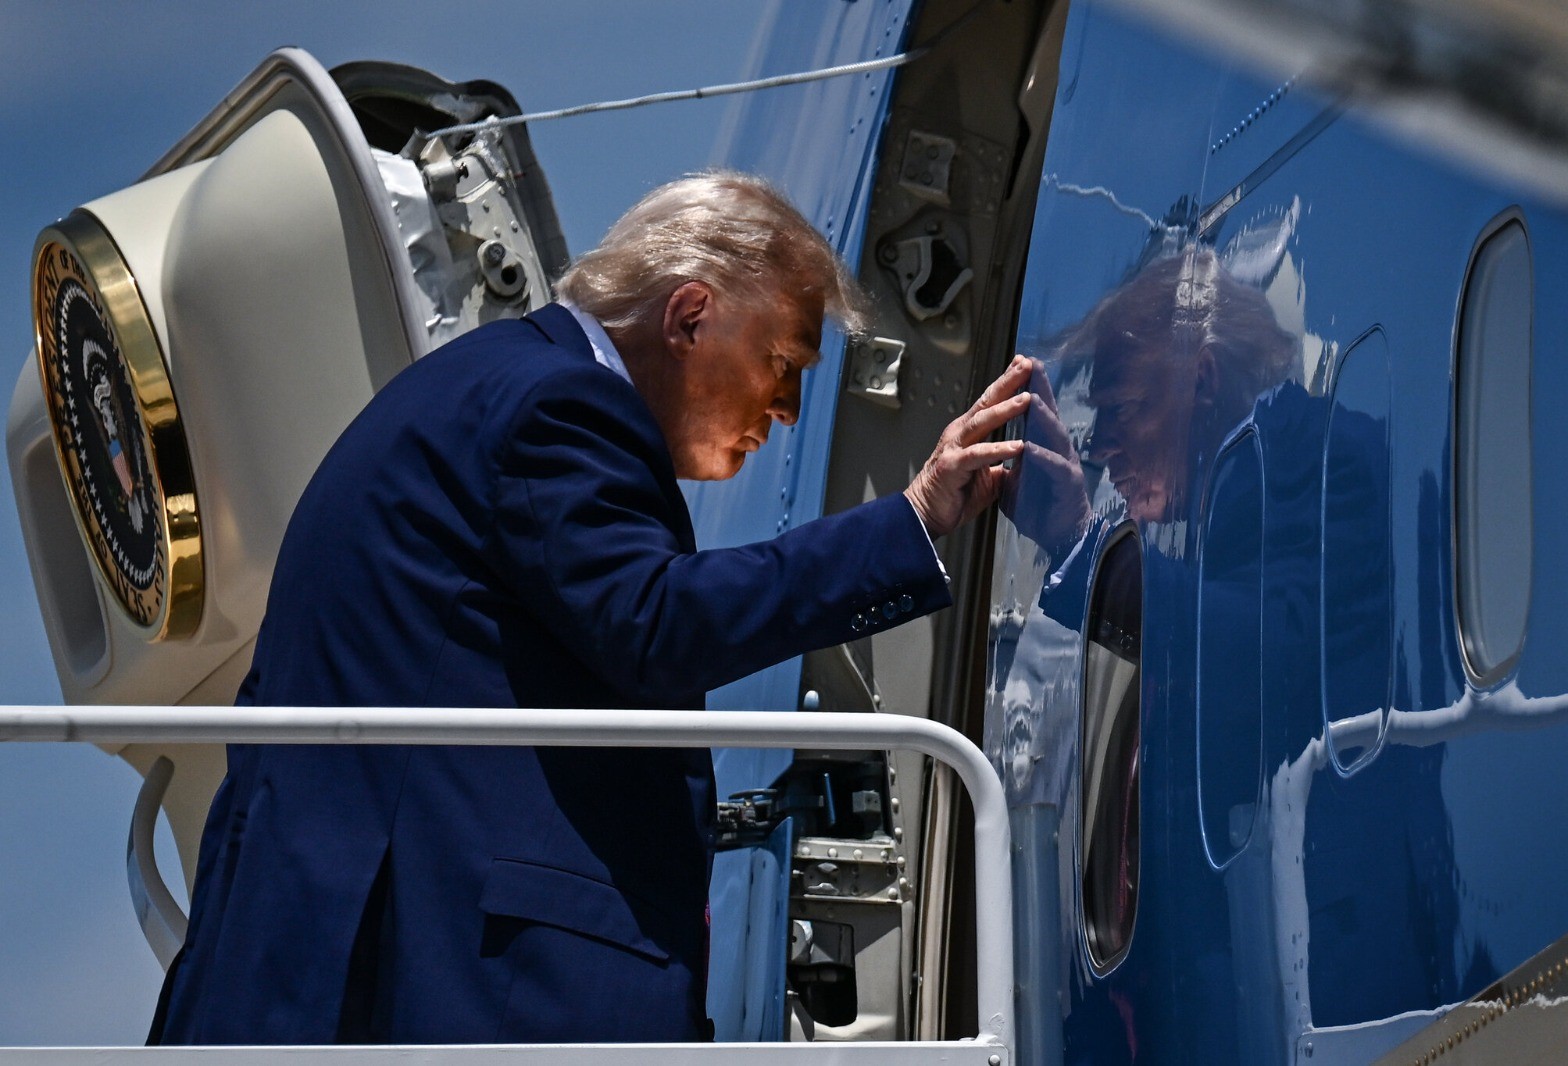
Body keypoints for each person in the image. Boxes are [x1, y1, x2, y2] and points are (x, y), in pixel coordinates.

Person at [148, 172, 1032, 1045]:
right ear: (690, 316)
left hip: (322, 975)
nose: (790, 409)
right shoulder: (556, 403)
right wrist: (911, 522)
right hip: (464, 997)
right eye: (784, 362)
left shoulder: (476, 385)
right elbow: (653, 624)